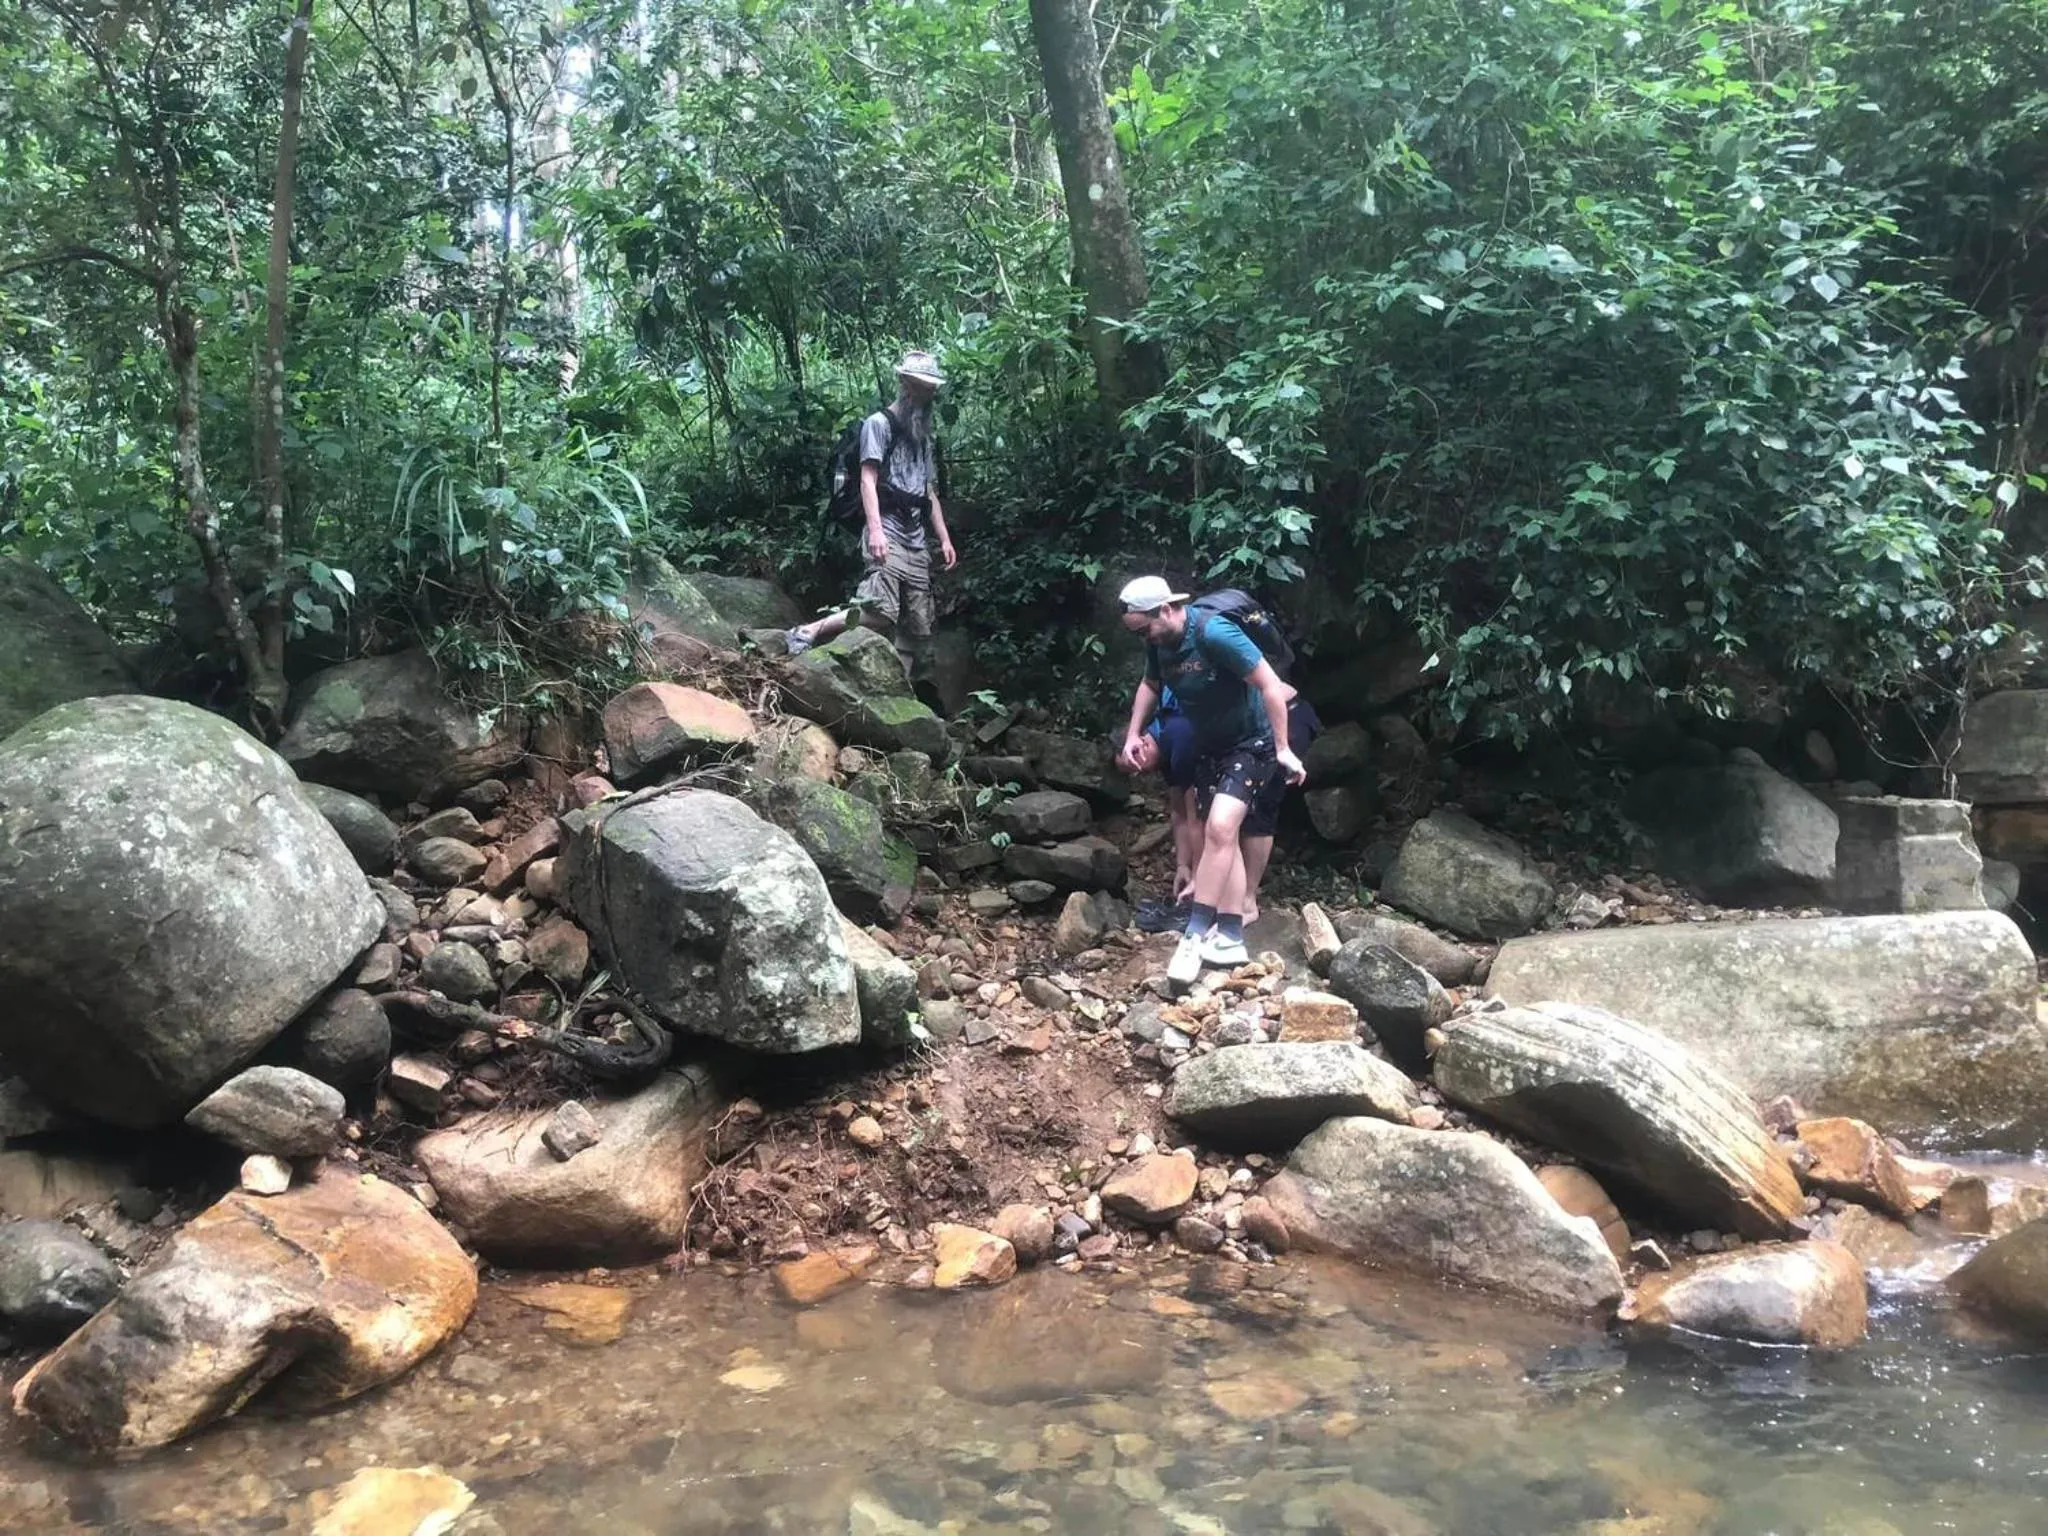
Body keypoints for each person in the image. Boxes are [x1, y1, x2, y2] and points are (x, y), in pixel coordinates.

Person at [1115, 576, 1307, 984]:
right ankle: (1231, 936)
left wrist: (1283, 748)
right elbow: (1151, 685)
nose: (1143, 638)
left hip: (1251, 743)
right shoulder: (1158, 643)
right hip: (1210, 746)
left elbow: (1271, 686)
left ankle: (1195, 935)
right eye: (1137, 633)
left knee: (1221, 828)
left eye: (1145, 628)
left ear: (1166, 610)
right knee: (1223, 838)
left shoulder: (1214, 633)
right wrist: (1134, 732)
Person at [787, 350, 957, 682]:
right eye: (925, 386)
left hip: (916, 539)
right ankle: (807, 631)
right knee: (879, 611)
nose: (931, 393)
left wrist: (945, 538)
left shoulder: (923, 436)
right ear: (906, 384)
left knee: (917, 624)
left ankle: (899, 691)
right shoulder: (878, 425)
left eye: (933, 387)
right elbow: (868, 479)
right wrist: (876, 532)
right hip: (888, 531)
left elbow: (929, 492)